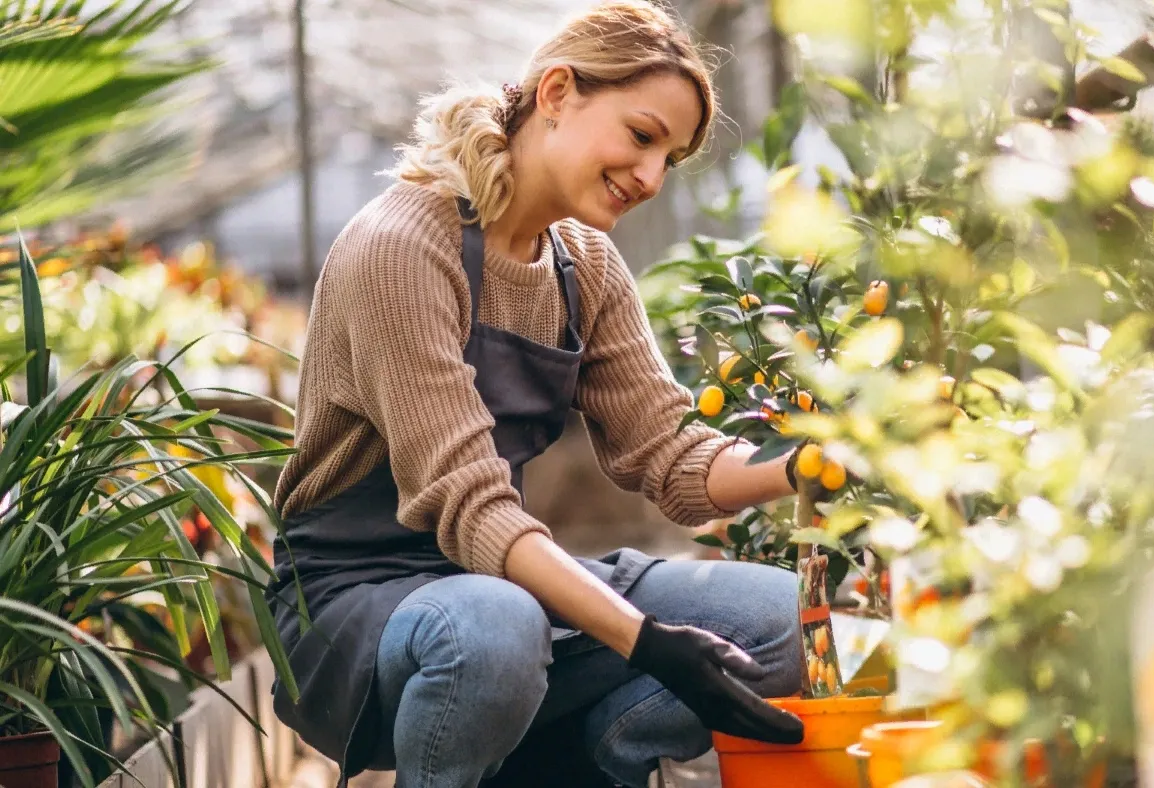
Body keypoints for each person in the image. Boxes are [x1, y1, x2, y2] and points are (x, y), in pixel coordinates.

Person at [264, 3, 820, 787]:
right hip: (356, 599)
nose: (652, 177)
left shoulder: (582, 262)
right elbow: (474, 508)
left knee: (776, 620)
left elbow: (668, 453)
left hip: (498, 580)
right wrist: (649, 641)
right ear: (557, 92)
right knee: (493, 629)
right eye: (641, 135)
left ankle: (584, 765)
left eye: (671, 156)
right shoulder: (402, 249)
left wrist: (806, 465)